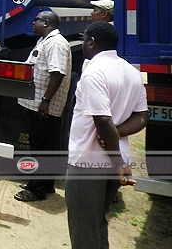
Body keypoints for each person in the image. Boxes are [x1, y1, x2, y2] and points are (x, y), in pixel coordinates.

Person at [66, 22, 148, 249]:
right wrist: (119, 135)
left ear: (91, 42)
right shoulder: (131, 71)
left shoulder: (94, 72)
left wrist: (118, 161)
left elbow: (102, 120)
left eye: (84, 40)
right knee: (98, 221)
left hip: (88, 163)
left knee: (84, 230)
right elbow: (142, 115)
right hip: (115, 160)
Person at [15, 10, 72, 202]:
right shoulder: (46, 40)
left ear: (46, 22)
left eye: (36, 20)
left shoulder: (56, 43)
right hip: (37, 103)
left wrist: (45, 101)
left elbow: (58, 74)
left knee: (41, 147)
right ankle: (45, 184)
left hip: (44, 106)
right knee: (45, 145)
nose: (33, 23)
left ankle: (36, 190)